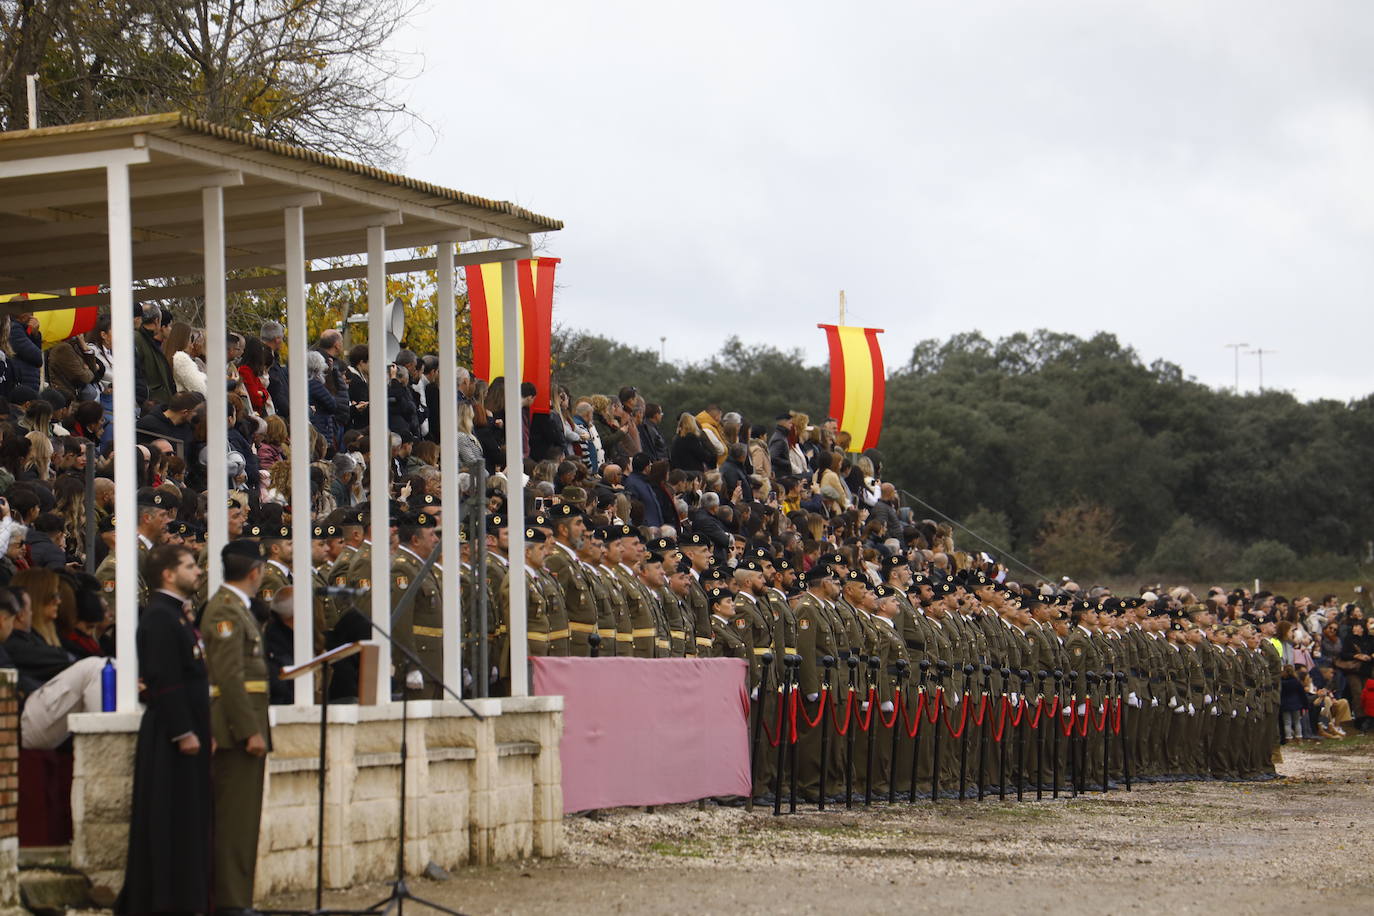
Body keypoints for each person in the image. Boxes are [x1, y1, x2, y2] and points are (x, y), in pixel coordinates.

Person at [115, 544, 212, 916]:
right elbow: (164, 678)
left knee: (189, 818)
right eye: (190, 566)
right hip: (171, 736)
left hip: (191, 728)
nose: (198, 571)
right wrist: (183, 731)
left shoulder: (177, 616)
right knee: (169, 818)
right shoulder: (159, 617)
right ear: (169, 574)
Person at [202, 539, 272, 915]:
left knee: (245, 821)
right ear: (255, 571)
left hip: (245, 724)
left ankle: (239, 898)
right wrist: (249, 731)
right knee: (235, 821)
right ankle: (231, 901)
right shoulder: (224, 610)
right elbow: (229, 678)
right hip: (235, 730)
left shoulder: (239, 609)